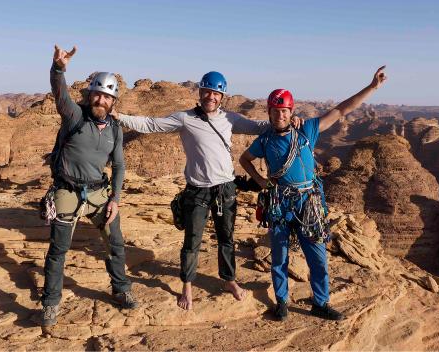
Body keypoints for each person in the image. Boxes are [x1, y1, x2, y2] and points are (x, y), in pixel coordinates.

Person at [110, 72, 300, 310]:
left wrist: (291, 120)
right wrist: (120, 117)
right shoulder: (184, 118)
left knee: (226, 239)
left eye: (216, 93)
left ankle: (229, 280)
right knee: (192, 241)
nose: (211, 97)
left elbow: (259, 127)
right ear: (200, 93)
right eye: (207, 92)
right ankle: (187, 286)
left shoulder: (230, 119)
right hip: (197, 190)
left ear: (222, 96)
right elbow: (151, 124)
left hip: (225, 189)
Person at [239, 66, 387, 321]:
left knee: (317, 256)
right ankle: (282, 301)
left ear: (291, 111)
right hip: (280, 202)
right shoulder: (264, 141)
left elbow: (341, 110)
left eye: (284, 111)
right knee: (279, 256)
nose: (280, 115)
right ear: (270, 113)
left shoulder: (307, 130)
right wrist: (261, 181)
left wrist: (371, 87)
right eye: (276, 111)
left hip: (308, 202)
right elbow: (245, 159)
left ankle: (321, 302)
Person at [40, 45, 137, 329]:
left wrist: (115, 199)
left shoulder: (116, 131)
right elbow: (60, 94)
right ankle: (50, 304)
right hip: (67, 191)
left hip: (98, 194)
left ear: (113, 101)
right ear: (89, 94)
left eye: (107, 96)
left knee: (116, 243)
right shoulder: (75, 116)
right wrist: (58, 69)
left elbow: (119, 167)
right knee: (59, 249)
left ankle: (120, 289)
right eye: (97, 94)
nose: (101, 100)